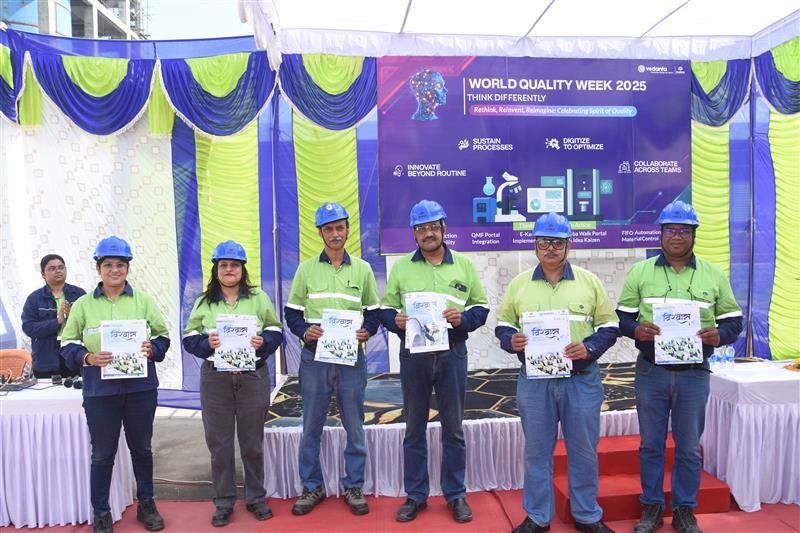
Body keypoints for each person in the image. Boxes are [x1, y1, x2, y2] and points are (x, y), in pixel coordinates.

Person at [616, 201, 743, 533]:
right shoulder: (640, 272)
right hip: (651, 372)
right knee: (651, 445)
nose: (676, 236)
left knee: (688, 447)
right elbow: (623, 318)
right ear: (661, 234)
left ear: (694, 235)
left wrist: (720, 335)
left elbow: (733, 320)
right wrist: (636, 330)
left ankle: (685, 509)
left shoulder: (713, 274)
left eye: (684, 230)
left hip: (694, 375)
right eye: (670, 230)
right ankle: (652, 507)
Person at [495, 212, 620, 533]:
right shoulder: (519, 284)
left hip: (581, 381)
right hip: (536, 383)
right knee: (537, 452)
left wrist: (589, 348)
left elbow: (609, 326)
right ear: (535, 245)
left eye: (557, 242)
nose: (550, 248)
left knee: (583, 451)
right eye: (543, 242)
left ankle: (587, 515)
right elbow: (503, 325)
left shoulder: (589, 282)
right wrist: (511, 340)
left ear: (569, 245)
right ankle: (537, 517)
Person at [380, 199, 489, 523]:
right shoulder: (401, 268)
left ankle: (455, 495)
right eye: (421, 228)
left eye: (433, 226)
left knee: (453, 429)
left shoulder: (464, 266)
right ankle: (416, 495)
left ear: (443, 228)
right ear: (414, 234)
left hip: (452, 353)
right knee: (414, 428)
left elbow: (481, 308)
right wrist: (395, 321)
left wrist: (462, 319)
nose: (428, 233)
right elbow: (385, 309)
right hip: (414, 356)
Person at [60, 236, 169, 533]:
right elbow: (67, 343)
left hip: (140, 390)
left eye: (120, 264)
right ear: (99, 269)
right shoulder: (83, 305)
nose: (114, 270)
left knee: (142, 449)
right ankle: (101, 512)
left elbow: (162, 336)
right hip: (100, 392)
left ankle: (147, 504)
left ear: (127, 268)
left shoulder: (143, 301)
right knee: (102, 454)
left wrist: (153, 349)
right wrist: (87, 357)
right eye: (108, 264)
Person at [284, 202, 381, 516]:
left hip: (351, 359)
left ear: (348, 229)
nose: (335, 234)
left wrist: (367, 330)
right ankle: (312, 486)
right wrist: (305, 332)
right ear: (320, 233)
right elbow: (292, 314)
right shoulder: (306, 269)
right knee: (311, 426)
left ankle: (354, 485)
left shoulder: (363, 269)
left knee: (355, 426)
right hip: (315, 359)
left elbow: (374, 313)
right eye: (329, 229)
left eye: (340, 227)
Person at [182, 240, 283, 527]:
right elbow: (189, 337)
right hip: (216, 380)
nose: (229, 269)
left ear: (242, 269)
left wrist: (264, 342)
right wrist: (207, 343)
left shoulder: (259, 298)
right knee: (220, 445)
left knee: (252, 443)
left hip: (252, 378)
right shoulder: (204, 302)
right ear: (216, 270)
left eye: (234, 265)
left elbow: (275, 328)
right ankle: (224, 501)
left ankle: (256, 498)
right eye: (224, 265)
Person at [21, 254, 85, 378]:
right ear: (43, 274)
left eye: (61, 267)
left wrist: (72, 317)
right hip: (46, 359)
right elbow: (29, 328)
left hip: (74, 355)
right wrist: (58, 321)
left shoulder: (79, 294)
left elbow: (89, 324)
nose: (58, 271)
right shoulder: (34, 298)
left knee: (77, 389)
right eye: (52, 268)